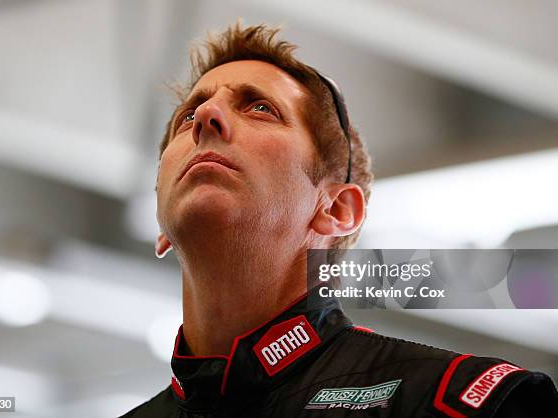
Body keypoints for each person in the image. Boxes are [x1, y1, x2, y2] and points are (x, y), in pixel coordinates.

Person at [120, 22, 557, 417]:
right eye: (187, 117)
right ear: (161, 226)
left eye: (260, 109)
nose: (206, 119)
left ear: (335, 210)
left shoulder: (455, 402)